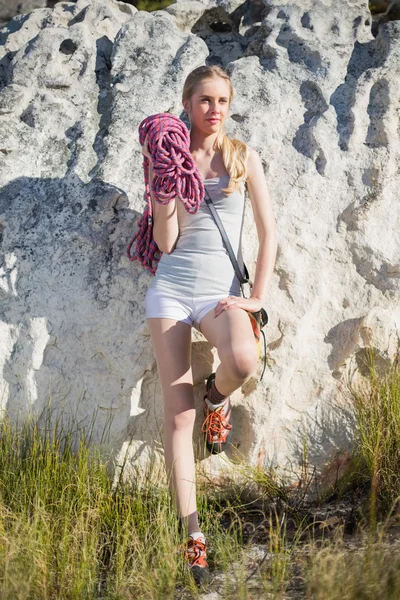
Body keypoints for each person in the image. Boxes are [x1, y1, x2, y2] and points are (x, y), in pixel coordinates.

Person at [143, 65, 277, 585]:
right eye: (204, 99)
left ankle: (216, 398)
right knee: (178, 416)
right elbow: (165, 244)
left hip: (222, 295)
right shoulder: (171, 158)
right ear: (188, 101)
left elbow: (269, 236)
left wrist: (255, 300)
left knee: (243, 359)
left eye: (222, 100)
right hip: (172, 289)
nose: (214, 108)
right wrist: (162, 192)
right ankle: (192, 536)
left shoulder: (242, 157)